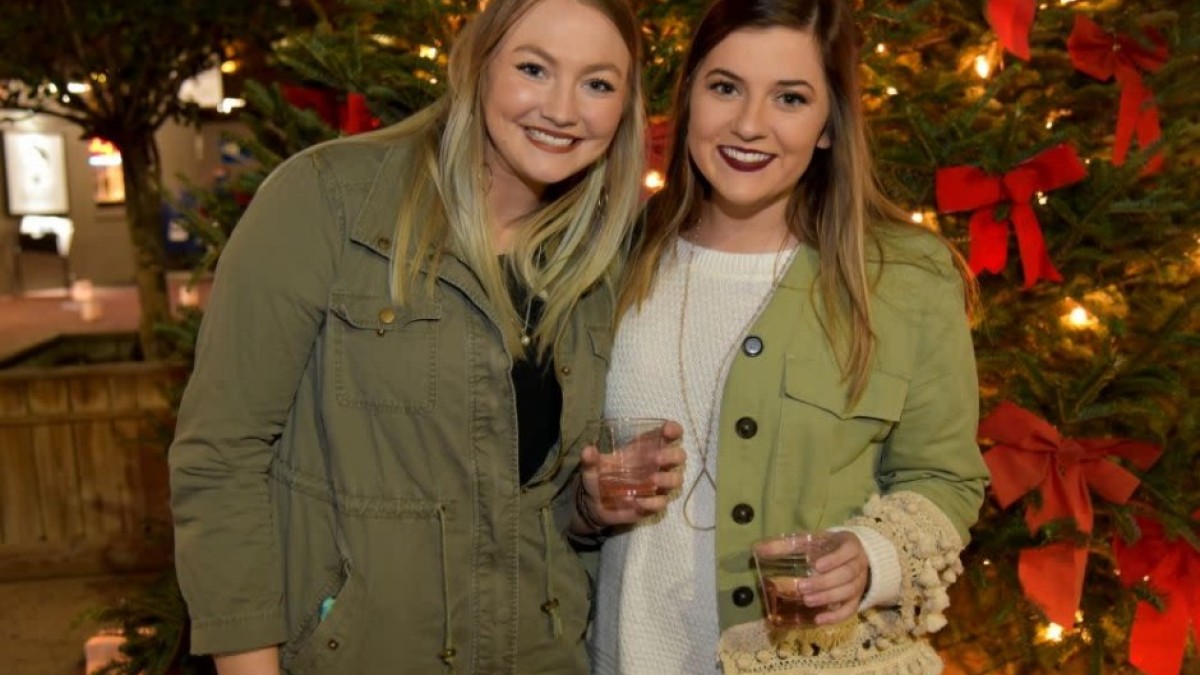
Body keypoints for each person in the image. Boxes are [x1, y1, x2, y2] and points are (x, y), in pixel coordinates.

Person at [168, 1, 684, 673]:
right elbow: (221, 456)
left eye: (598, 83)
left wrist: (588, 505)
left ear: (625, 107)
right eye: (534, 68)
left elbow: (523, 497)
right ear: (476, 65)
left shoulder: (598, 261)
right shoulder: (328, 200)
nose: (563, 108)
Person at [590, 0, 991, 672]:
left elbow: (943, 476)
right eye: (725, 88)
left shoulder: (903, 278)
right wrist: (588, 497)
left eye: (791, 98)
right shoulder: (610, 257)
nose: (750, 125)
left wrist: (871, 556)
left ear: (829, 124)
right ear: (688, 98)